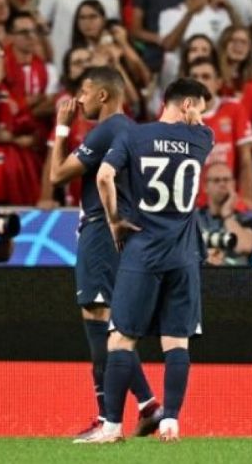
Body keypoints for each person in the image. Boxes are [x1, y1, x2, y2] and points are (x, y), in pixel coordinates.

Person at [87, 78, 214, 444]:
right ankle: (171, 421)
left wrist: (114, 220)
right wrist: (195, 123)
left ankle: (112, 427)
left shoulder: (133, 136)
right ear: (188, 105)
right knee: (177, 343)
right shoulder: (202, 140)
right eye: (200, 109)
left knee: (122, 340)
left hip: (142, 250)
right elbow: (199, 129)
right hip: (183, 255)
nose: (201, 118)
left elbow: (105, 175)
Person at [45, 66, 161, 441]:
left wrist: (61, 129)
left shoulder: (107, 130)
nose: (78, 100)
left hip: (100, 231)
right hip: (125, 233)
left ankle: (106, 419)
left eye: (84, 91)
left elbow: (57, 176)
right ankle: (148, 406)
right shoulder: (136, 132)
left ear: (103, 96)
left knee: (99, 323)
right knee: (113, 326)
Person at [187, 57, 252, 207]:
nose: (200, 82)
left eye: (206, 77)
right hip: (191, 205)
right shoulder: (177, 117)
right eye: (195, 77)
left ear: (218, 83)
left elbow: (246, 159)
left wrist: (247, 198)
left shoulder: (234, 109)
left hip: (229, 201)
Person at [195, 162, 252, 266]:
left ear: (233, 185)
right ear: (205, 186)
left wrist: (227, 215)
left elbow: (245, 246)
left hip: (236, 278)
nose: (222, 184)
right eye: (216, 180)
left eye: (226, 180)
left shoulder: (248, 220)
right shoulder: (192, 220)